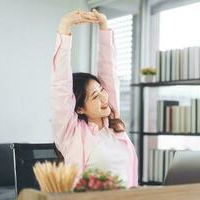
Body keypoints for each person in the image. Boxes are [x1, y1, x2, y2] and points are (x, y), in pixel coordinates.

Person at [51, 9, 138, 188]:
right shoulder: (71, 132)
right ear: (79, 108)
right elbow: (60, 85)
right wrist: (65, 28)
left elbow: (109, 72)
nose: (104, 97)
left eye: (102, 90)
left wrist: (104, 27)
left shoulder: (113, 127)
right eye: (95, 96)